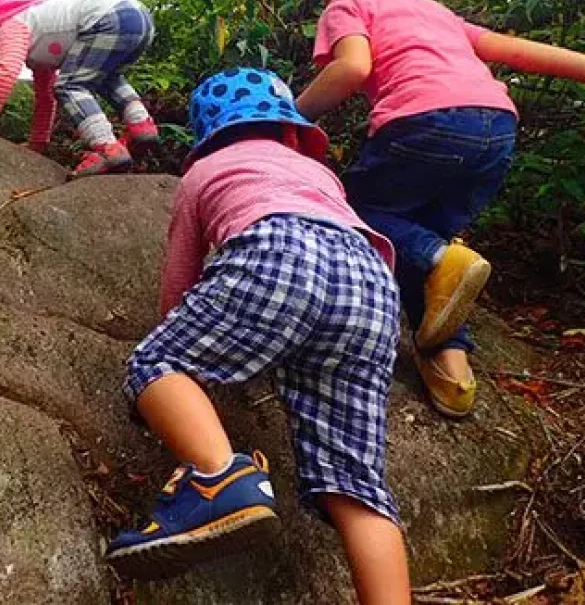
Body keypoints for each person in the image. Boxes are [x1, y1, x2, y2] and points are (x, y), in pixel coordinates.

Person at [296, 0, 585, 418]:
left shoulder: (346, 6)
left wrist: (289, 115)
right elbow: (507, 48)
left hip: (423, 125)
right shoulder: (432, 9)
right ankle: (451, 364)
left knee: (348, 211)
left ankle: (443, 260)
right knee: (423, 240)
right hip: (496, 128)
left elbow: (353, 67)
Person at [107, 68, 410, 605]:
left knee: (156, 364)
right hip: (372, 280)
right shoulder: (318, 174)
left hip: (277, 249)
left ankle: (218, 478)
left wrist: (185, 345)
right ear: (293, 131)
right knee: (355, 481)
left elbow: (180, 288)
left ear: (207, 136)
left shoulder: (205, 172)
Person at [0, 0, 160, 178]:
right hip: (137, 17)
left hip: (110, 18)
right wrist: (37, 143)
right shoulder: (39, 43)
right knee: (105, 76)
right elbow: (45, 98)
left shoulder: (14, 24)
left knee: (69, 85)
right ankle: (141, 124)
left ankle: (107, 148)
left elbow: (6, 71)